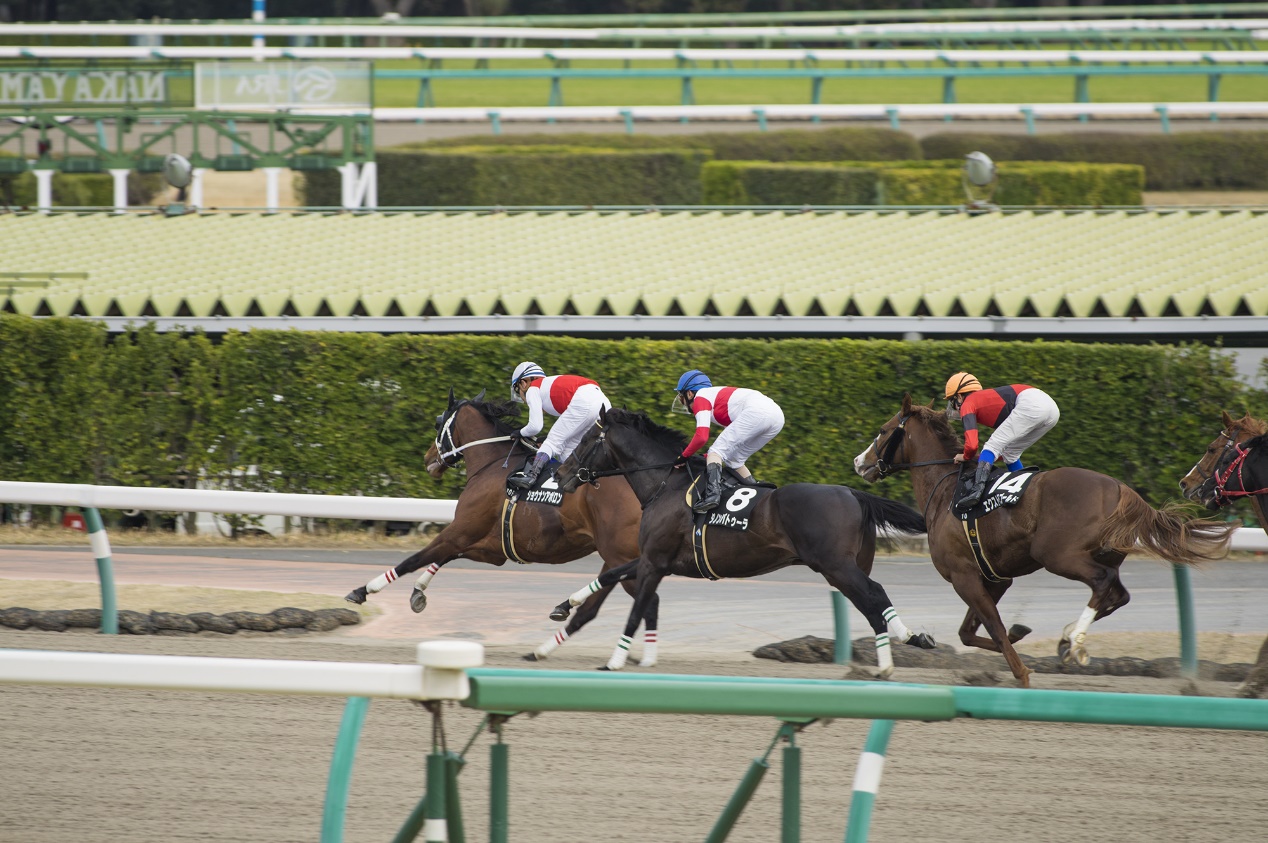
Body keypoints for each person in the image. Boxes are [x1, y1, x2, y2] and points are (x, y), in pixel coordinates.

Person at [944, 372, 1060, 512]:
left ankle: (976, 492)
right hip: (1052, 410)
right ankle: (1026, 494)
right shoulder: (983, 400)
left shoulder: (968, 403)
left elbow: (972, 445)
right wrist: (983, 459)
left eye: (952, 401)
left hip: (1031, 403)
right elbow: (999, 454)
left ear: (960, 397)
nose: (954, 407)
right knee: (1010, 454)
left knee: (991, 446)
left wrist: (965, 456)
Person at [672, 369, 785, 513]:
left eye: (682, 398)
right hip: (777, 417)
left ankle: (713, 496)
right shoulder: (714, 399)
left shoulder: (700, 397)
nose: (683, 404)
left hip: (757, 412)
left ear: (689, 394)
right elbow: (731, 444)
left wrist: (684, 456)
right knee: (735, 459)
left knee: (716, 451)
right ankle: (756, 493)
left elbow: (701, 437)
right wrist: (706, 457)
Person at [507, 361, 611, 491]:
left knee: (552, 442)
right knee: (568, 449)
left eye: (519, 392)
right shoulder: (549, 386)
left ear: (523, 383)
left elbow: (535, 426)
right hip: (603, 402)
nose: (522, 399)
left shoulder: (533, 388)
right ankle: (588, 479)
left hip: (585, 400)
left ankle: (530, 476)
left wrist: (520, 432)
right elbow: (568, 428)